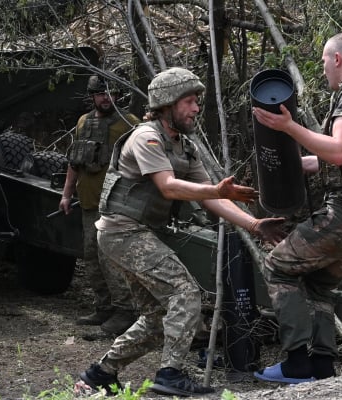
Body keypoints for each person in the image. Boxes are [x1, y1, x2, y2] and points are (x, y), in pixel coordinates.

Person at [76, 67, 286, 397]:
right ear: (167, 103)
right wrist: (217, 191)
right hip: (122, 231)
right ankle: (170, 374)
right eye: (189, 101)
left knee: (159, 317)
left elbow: (210, 196)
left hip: (135, 233)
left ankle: (99, 374)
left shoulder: (185, 147)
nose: (196, 108)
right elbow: (170, 187)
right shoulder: (146, 136)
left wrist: (255, 225)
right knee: (185, 294)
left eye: (197, 102)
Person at [251, 32, 342, 383]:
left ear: (336, 60)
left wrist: (289, 127)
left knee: (278, 266)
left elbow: (339, 150)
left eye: (322, 63)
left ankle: (297, 362)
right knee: (318, 285)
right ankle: (321, 366)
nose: (323, 71)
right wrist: (300, 162)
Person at [59, 75, 141, 335]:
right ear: (92, 96)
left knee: (112, 260)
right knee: (91, 256)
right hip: (89, 202)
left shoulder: (130, 124)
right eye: (101, 94)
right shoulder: (83, 122)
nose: (106, 98)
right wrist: (66, 193)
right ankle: (103, 306)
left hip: (117, 204)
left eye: (111, 93)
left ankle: (125, 311)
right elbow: (75, 161)